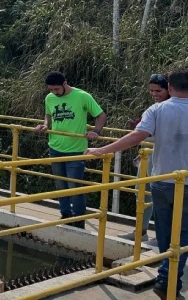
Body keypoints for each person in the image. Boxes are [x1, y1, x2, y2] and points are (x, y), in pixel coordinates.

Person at [85, 68, 188, 300]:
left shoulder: (158, 109)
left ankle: (166, 279)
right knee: (183, 234)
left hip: (161, 181)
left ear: (170, 88)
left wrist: (102, 149)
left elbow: (136, 136)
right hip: (186, 184)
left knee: (164, 232)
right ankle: (169, 281)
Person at [33, 71, 107, 229]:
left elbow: (101, 115)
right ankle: (65, 214)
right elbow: (48, 114)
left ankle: (79, 219)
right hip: (55, 147)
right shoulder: (50, 98)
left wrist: (96, 131)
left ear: (65, 83)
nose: (54, 93)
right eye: (51, 90)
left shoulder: (82, 96)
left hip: (76, 149)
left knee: (74, 186)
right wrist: (45, 125)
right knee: (60, 184)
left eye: (57, 89)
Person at [118, 73, 170, 242]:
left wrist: (141, 135)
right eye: (151, 90)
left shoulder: (172, 108)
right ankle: (141, 231)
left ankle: (163, 235)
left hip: (162, 159)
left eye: (158, 90)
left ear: (168, 89)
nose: (154, 94)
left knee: (161, 197)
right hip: (146, 157)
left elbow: (163, 136)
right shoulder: (154, 108)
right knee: (142, 195)